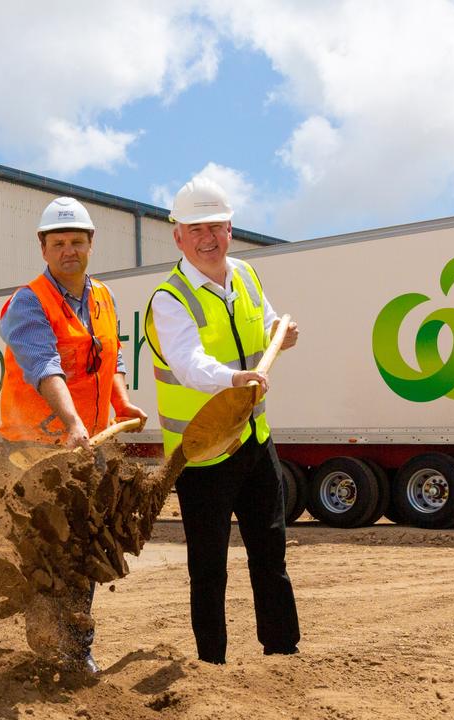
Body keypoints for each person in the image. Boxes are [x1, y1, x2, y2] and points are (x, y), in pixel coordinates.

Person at [143, 177, 301, 665]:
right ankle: (211, 664)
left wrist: (283, 333)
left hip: (256, 440)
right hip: (204, 452)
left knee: (270, 553)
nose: (208, 238)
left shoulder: (247, 276)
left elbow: (270, 322)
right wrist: (236, 379)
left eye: (217, 227)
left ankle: (281, 650)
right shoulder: (169, 300)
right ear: (178, 237)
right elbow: (189, 364)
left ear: (231, 228)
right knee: (208, 567)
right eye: (196, 229)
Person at [0, 196, 147, 673]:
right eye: (58, 243)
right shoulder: (28, 302)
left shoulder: (103, 296)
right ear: (43, 249)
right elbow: (45, 367)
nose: (69, 251)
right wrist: (73, 423)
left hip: (89, 446)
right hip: (39, 449)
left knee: (84, 550)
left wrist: (120, 402)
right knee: (49, 553)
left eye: (76, 242)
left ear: (91, 245)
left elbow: (112, 358)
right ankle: (53, 652)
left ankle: (75, 649)